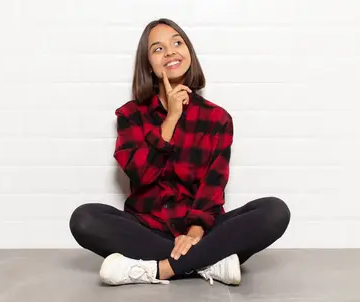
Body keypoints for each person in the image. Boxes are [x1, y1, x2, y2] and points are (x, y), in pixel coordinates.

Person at [69, 18, 291, 286]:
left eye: (177, 43)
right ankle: (208, 263)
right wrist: (171, 119)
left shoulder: (217, 119)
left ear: (189, 54)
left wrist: (195, 233)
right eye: (158, 48)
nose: (171, 51)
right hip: (146, 230)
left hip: (202, 232)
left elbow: (213, 188)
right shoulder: (130, 115)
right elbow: (140, 174)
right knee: (84, 218)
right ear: (148, 65)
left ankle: (157, 270)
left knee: (274, 211)